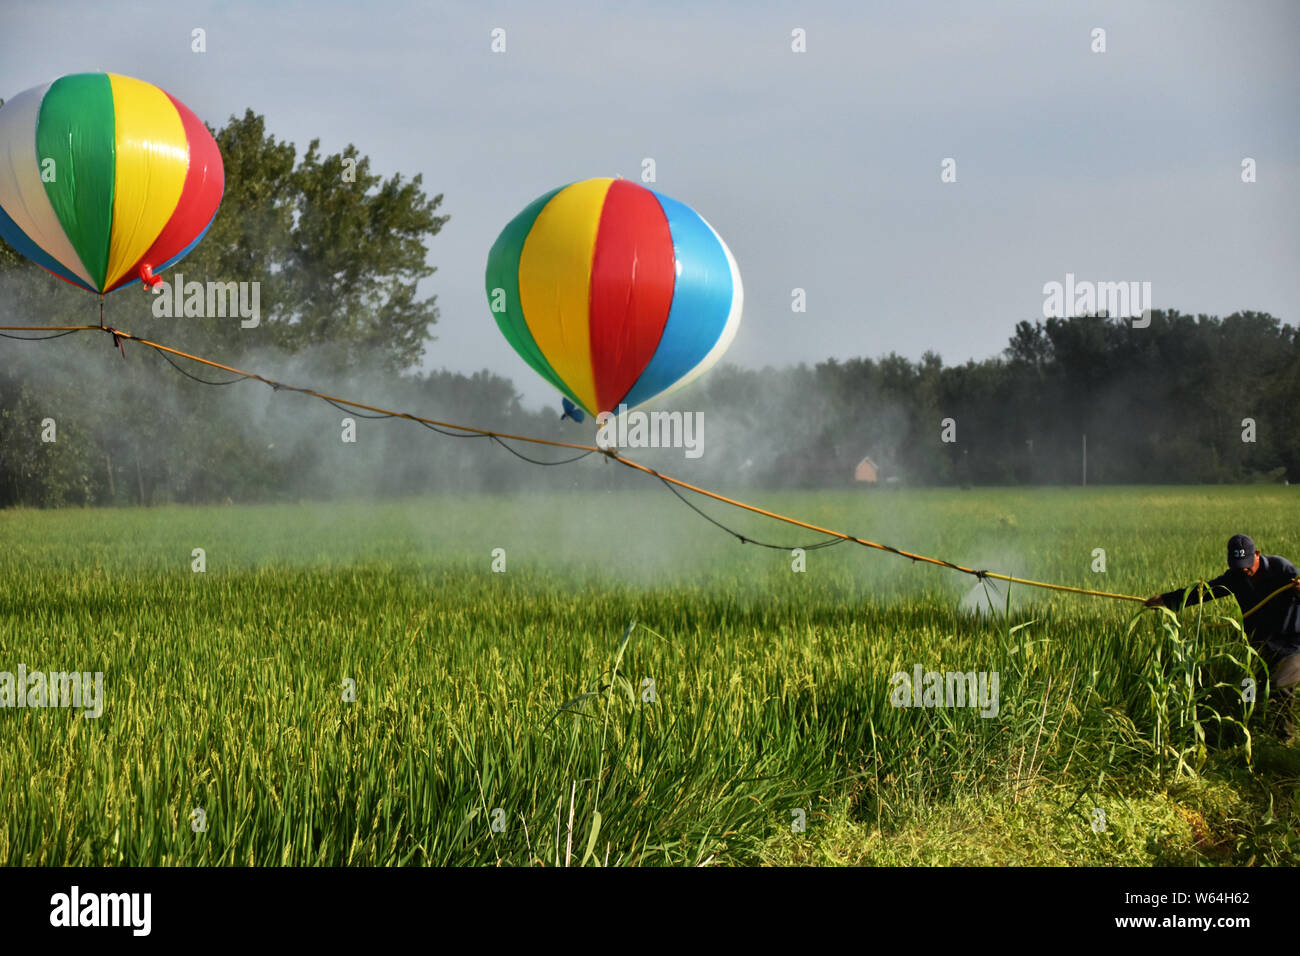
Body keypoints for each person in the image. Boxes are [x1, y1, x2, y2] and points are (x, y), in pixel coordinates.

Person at [1145, 534, 1300, 740]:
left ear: (1257, 554)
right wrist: (1167, 599)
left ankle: (1285, 740)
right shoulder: (1236, 576)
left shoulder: (1282, 568)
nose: (1244, 570)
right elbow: (1205, 591)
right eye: (1238, 565)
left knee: (1281, 686)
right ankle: (1253, 735)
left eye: (1247, 564)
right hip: (1260, 643)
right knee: (1254, 691)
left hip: (1292, 643)